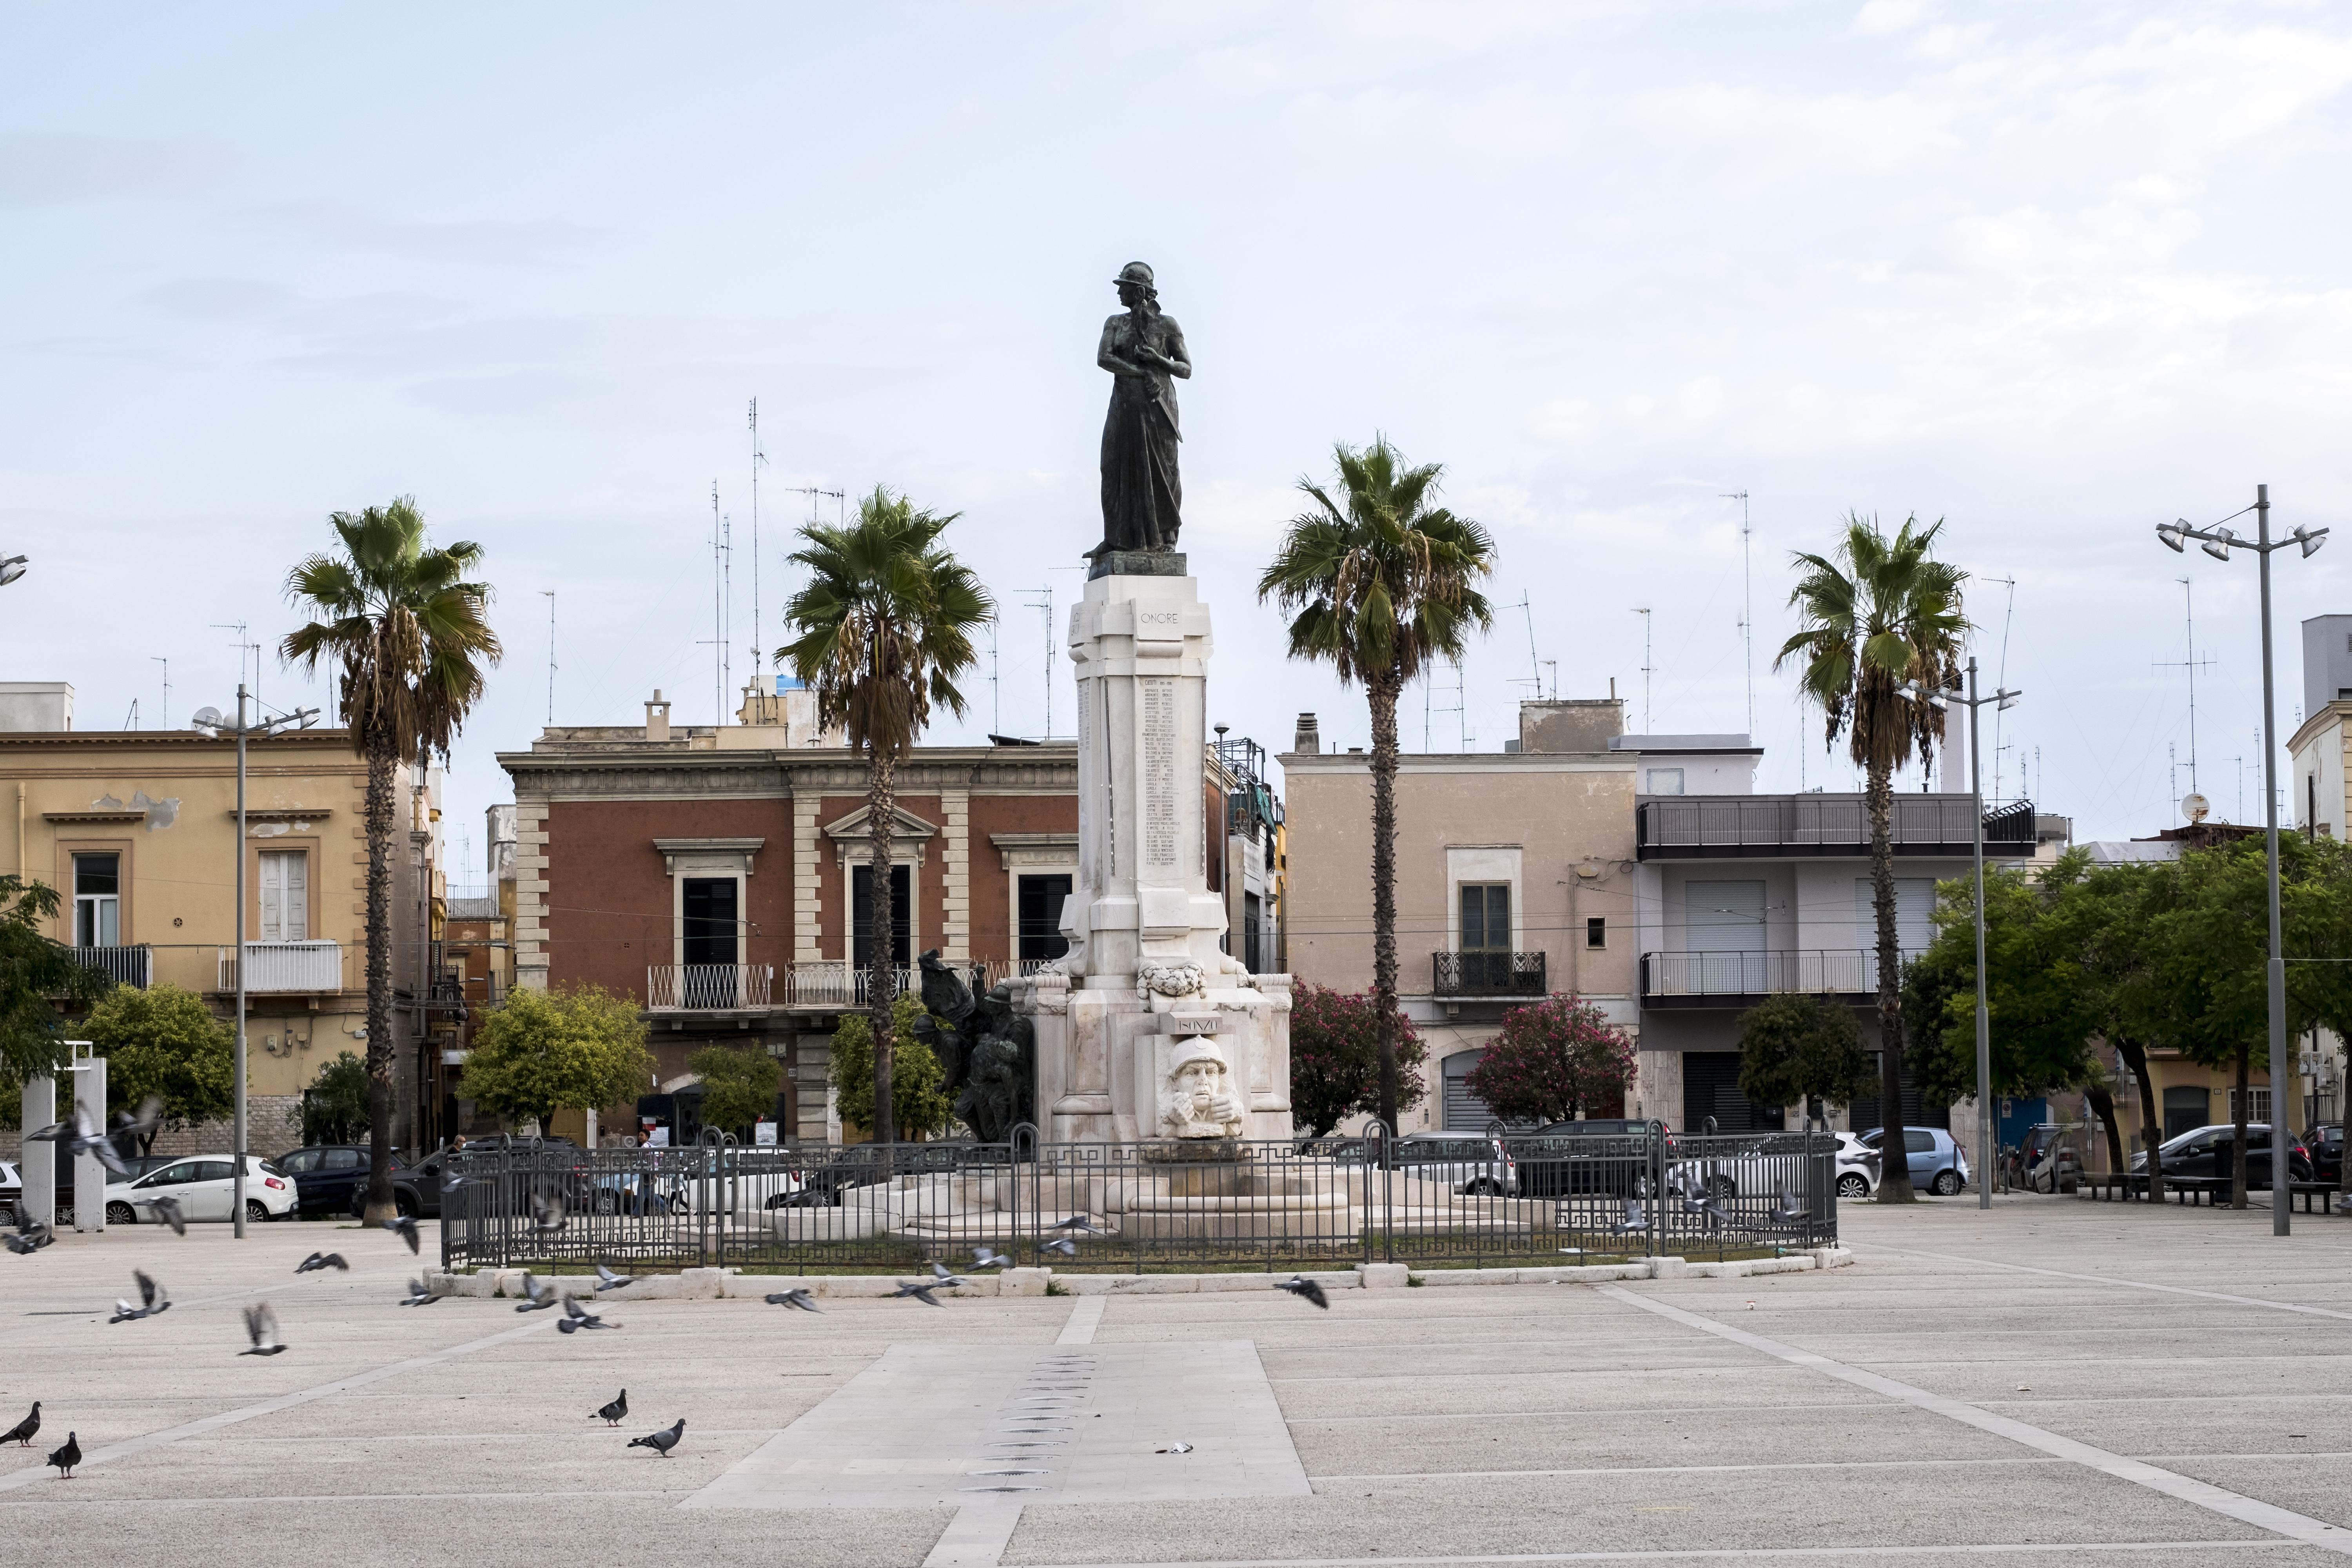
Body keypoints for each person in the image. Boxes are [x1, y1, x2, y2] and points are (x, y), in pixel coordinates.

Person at [1094, 261, 1191, 557]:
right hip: (1124, 406)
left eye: (1123, 287)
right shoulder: (1115, 323)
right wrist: (1139, 373)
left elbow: (1185, 369)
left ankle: (1166, 538)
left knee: (1163, 470)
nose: (1119, 293)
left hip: (1158, 407)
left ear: (1139, 291)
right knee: (1113, 469)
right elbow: (1104, 358)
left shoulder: (1167, 325)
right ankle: (1117, 539)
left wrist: (1158, 361)